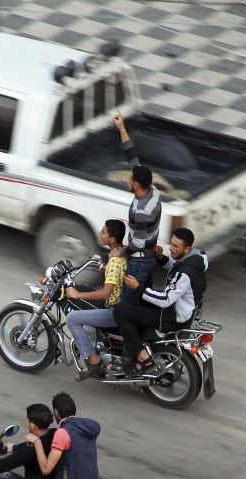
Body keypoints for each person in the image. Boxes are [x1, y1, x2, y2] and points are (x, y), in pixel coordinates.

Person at [114, 227, 208, 374]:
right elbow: (176, 266)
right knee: (139, 303)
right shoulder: (196, 261)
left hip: (171, 316)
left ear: (187, 249)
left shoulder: (185, 274)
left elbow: (165, 299)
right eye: (171, 244)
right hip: (180, 309)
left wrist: (138, 288)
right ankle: (146, 340)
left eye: (176, 246)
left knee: (120, 311)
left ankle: (142, 356)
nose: (171, 248)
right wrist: (161, 258)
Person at [62, 219, 127, 380]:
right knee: (86, 291)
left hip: (114, 311)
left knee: (72, 319)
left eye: (104, 232)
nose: (100, 233)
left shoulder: (115, 262)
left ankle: (93, 360)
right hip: (121, 304)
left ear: (111, 239)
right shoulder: (121, 252)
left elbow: (105, 293)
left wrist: (77, 294)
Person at [113, 112, 161, 299]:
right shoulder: (152, 190)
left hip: (140, 261)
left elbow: (139, 243)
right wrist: (122, 129)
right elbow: (132, 157)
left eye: (130, 177)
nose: (127, 177)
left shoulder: (142, 211)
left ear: (135, 185)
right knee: (144, 301)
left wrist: (120, 252)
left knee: (127, 306)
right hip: (148, 257)